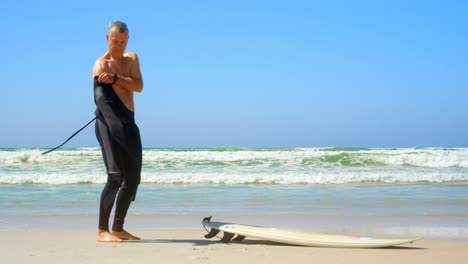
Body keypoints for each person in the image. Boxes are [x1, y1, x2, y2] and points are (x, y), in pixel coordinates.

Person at [93, 21, 143, 242]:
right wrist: (116, 129)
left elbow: (139, 86)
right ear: (107, 39)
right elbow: (102, 101)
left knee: (133, 177)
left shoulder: (132, 59)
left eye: (123, 42)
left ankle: (118, 228)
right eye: (115, 42)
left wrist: (115, 80)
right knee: (115, 176)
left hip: (129, 122)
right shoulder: (100, 65)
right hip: (108, 123)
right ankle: (102, 231)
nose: (120, 46)